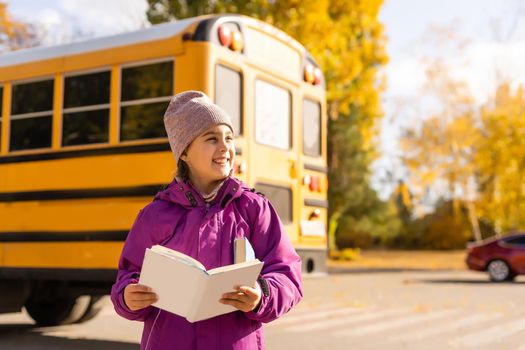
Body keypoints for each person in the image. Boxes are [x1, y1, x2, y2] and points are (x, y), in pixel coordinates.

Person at [110, 90, 303, 349]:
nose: (225, 147)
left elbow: (287, 273)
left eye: (229, 138)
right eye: (212, 139)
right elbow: (128, 274)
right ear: (185, 153)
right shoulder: (154, 216)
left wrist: (262, 295)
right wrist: (127, 297)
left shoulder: (254, 208)